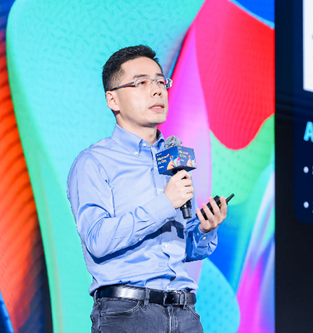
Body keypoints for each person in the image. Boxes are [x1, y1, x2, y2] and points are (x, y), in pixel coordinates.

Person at [67, 45, 227, 332]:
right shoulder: (94, 162)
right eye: (141, 83)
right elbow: (97, 239)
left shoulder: (174, 159)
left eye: (160, 82)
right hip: (127, 313)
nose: (156, 91)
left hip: (184, 313)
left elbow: (182, 250)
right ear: (112, 99)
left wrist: (205, 229)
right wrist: (164, 203)